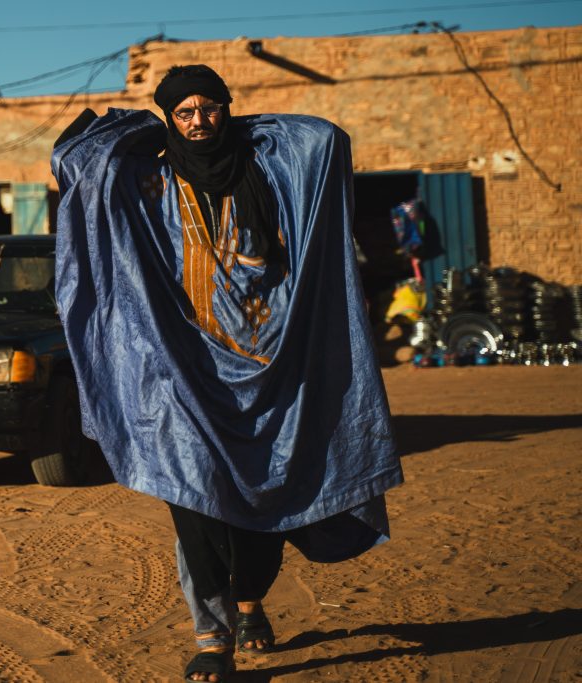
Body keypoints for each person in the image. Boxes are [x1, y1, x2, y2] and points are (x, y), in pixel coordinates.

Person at [51, 65, 404, 681]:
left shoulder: (266, 170)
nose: (197, 123)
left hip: (274, 365)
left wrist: (253, 129)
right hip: (181, 374)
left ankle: (249, 602)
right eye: (182, 113)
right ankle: (212, 636)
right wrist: (138, 128)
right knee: (195, 504)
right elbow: (75, 162)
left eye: (209, 108)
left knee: (262, 506)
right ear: (168, 119)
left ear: (227, 108)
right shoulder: (149, 180)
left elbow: (325, 139)